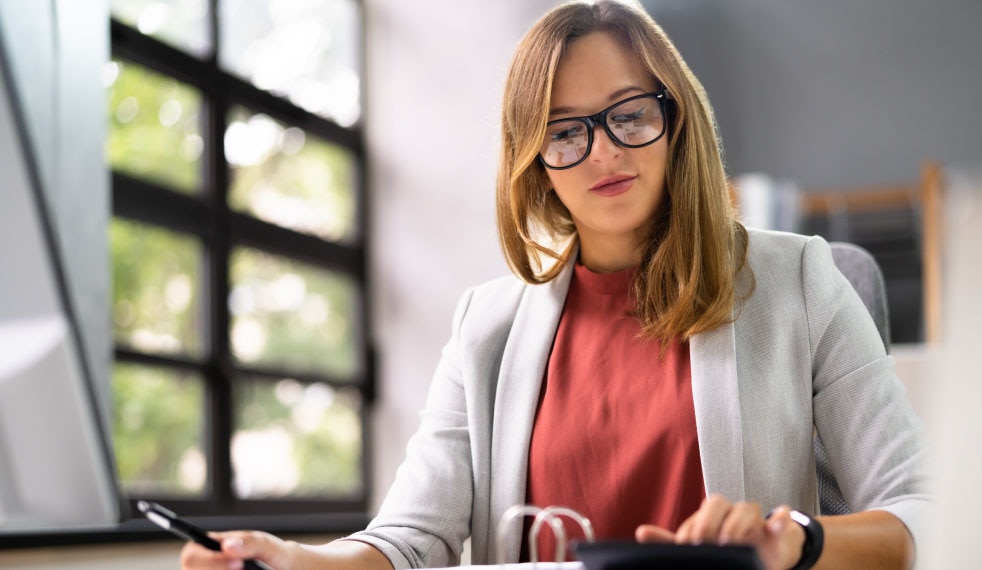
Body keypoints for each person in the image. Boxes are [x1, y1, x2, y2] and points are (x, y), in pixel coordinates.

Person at [181, 1, 930, 569]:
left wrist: (788, 541)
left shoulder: (800, 279)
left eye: (629, 115)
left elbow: (915, 514)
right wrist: (297, 561)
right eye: (565, 130)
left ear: (675, 122)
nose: (603, 151)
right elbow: (413, 538)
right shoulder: (487, 324)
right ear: (535, 161)